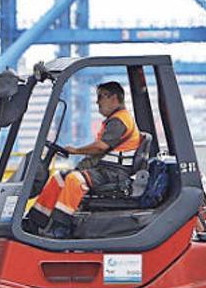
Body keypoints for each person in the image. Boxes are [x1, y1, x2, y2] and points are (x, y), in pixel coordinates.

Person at [25, 81, 141, 238]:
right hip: (104, 170)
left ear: (114, 98)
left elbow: (101, 147)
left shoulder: (120, 120)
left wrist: (76, 151)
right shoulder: (115, 120)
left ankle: (60, 228)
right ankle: (35, 221)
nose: (97, 102)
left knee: (75, 180)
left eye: (101, 97)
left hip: (114, 174)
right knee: (60, 178)